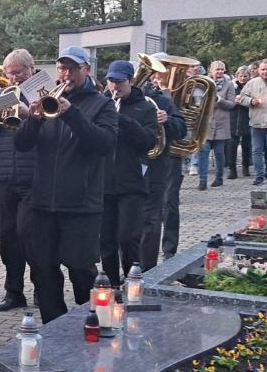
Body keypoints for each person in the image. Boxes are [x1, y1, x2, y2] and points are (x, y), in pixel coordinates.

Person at [14, 46, 117, 323]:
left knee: (81, 268)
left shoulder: (102, 104)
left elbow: (104, 144)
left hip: (81, 204)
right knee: (43, 270)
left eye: (71, 68)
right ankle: (53, 327)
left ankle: (96, 320)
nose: (65, 74)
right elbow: (21, 144)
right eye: (61, 68)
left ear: (86, 69)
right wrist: (33, 119)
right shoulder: (45, 99)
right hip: (43, 203)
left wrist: (71, 114)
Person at [100, 60, 160, 286]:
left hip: (132, 182)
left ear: (131, 81)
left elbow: (149, 141)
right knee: (105, 242)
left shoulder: (145, 107)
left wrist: (123, 120)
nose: (114, 87)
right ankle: (111, 286)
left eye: (119, 82)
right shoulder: (102, 104)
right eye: (111, 81)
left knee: (128, 238)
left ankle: (132, 283)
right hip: (104, 182)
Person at [0, 49, 37, 313]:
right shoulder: (1, 93)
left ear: (31, 68)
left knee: (31, 236)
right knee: (6, 238)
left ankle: (42, 288)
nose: (14, 78)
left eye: (18, 72)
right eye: (10, 73)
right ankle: (13, 292)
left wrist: (29, 113)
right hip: (2, 176)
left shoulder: (42, 93)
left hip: (33, 177)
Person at [139, 67, 186, 270]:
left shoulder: (162, 101)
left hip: (161, 162)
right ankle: (134, 263)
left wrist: (168, 120)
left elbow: (181, 129)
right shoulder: (119, 100)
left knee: (166, 205)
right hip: (133, 164)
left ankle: (166, 252)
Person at [198, 61, 236, 190]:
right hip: (206, 123)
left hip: (221, 123)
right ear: (211, 70)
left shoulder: (229, 84)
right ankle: (202, 180)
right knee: (203, 151)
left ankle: (219, 178)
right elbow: (196, 100)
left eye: (221, 69)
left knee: (219, 153)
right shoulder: (204, 83)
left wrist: (219, 100)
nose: (219, 71)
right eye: (217, 69)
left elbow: (231, 104)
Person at [226, 66, 252, 179]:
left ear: (249, 77)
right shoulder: (232, 87)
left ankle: (246, 167)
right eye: (240, 76)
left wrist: (245, 101)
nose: (243, 78)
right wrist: (234, 102)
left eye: (245, 76)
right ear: (237, 76)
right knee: (232, 146)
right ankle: (232, 170)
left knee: (246, 146)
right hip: (233, 118)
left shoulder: (252, 87)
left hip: (247, 119)